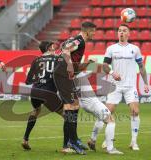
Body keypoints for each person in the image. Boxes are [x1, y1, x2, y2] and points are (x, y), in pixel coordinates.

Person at [102, 24, 149, 150]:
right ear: (117, 33)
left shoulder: (135, 49)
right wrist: (112, 73)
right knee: (107, 112)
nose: (121, 32)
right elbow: (105, 66)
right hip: (114, 86)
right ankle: (107, 139)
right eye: (119, 31)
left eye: (124, 31)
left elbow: (141, 67)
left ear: (129, 33)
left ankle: (133, 142)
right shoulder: (111, 48)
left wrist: (145, 83)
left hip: (130, 86)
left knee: (135, 111)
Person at [53, 21, 96, 155]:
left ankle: (72, 140)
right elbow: (65, 50)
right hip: (62, 73)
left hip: (64, 74)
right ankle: (70, 142)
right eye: (93, 31)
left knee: (74, 105)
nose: (94, 34)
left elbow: (64, 46)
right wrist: (70, 66)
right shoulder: (79, 40)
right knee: (71, 107)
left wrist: (86, 64)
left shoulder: (75, 39)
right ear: (87, 31)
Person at [22, 41, 63, 150]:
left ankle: (25, 139)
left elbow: (27, 81)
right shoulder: (57, 59)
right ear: (49, 48)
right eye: (52, 46)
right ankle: (68, 143)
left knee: (35, 111)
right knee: (68, 116)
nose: (54, 47)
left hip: (35, 91)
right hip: (48, 93)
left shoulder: (36, 60)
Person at [75, 71, 123, 154]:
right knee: (110, 120)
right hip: (91, 101)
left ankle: (92, 140)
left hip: (83, 102)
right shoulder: (78, 72)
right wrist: (112, 73)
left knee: (101, 118)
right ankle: (110, 148)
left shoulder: (69, 75)